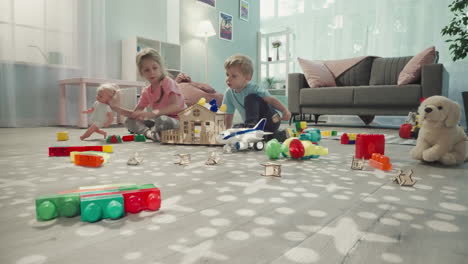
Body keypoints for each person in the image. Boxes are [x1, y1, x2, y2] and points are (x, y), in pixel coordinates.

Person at [108, 48, 186, 141]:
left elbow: (175, 106)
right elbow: (135, 114)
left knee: (162, 120)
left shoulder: (167, 82)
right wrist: (117, 108)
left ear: (160, 67)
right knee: (129, 121)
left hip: (178, 121)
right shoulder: (146, 91)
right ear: (142, 73)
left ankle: (156, 132)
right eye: (146, 70)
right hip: (158, 121)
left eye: (155, 68)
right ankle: (150, 134)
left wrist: (152, 113)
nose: (151, 72)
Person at [222, 54, 291, 140]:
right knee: (237, 127)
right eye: (227, 74)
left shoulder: (253, 88)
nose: (228, 79)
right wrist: (226, 132)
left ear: (247, 78)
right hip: (257, 125)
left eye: (234, 76)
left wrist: (284, 110)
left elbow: (271, 100)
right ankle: (279, 135)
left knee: (250, 98)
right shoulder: (229, 93)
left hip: (271, 119)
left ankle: (251, 126)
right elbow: (228, 115)